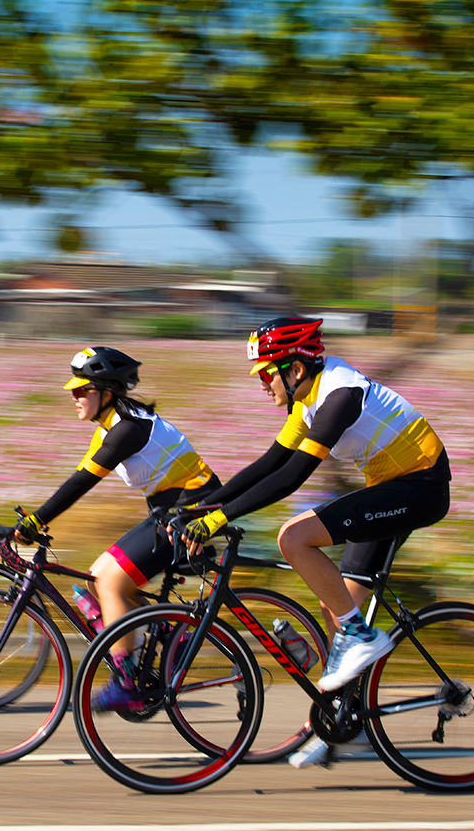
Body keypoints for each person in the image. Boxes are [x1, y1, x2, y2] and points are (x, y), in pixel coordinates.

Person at [179, 317, 451, 767]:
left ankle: (363, 636)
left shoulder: (339, 396)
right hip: (391, 485)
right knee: (336, 606)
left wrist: (221, 517)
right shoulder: (306, 401)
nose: (263, 384)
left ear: (296, 370)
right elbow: (270, 463)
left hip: (420, 487)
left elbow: (291, 478)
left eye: (267, 373)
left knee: (295, 538)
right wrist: (201, 508)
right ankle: (348, 724)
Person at [11, 346, 221, 713]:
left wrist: (35, 521)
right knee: (96, 579)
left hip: (192, 512)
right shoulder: (111, 427)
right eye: (73, 390)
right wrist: (34, 517)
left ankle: (126, 681)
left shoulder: (128, 430)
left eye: (82, 390)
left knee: (109, 582)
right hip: (170, 511)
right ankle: (169, 630)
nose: (74, 397)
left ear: (107, 392)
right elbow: (74, 479)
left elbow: (81, 484)